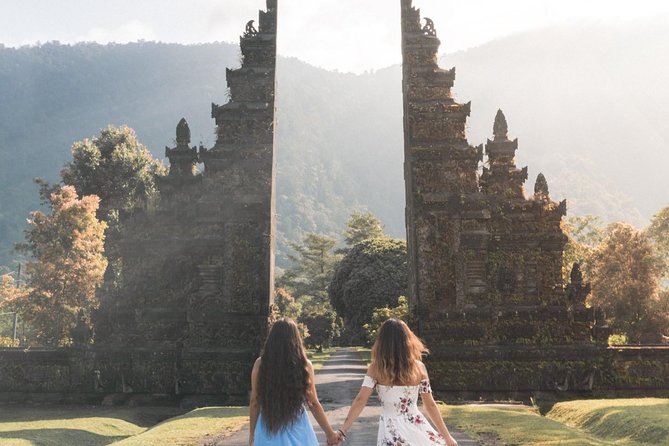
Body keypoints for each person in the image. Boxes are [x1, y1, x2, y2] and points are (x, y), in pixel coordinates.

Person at [337, 318, 458, 446]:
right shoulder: (419, 368)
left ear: (382, 342)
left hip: (390, 430)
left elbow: (361, 400)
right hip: (416, 427)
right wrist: (447, 437)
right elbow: (430, 405)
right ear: (408, 340)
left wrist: (343, 430)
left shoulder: (375, 368)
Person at [249, 317, 340, 446]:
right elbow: (313, 403)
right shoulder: (304, 365)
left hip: (267, 427)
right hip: (298, 427)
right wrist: (330, 434)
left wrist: (252, 435)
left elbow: (255, 401)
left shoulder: (260, 364)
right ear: (295, 338)